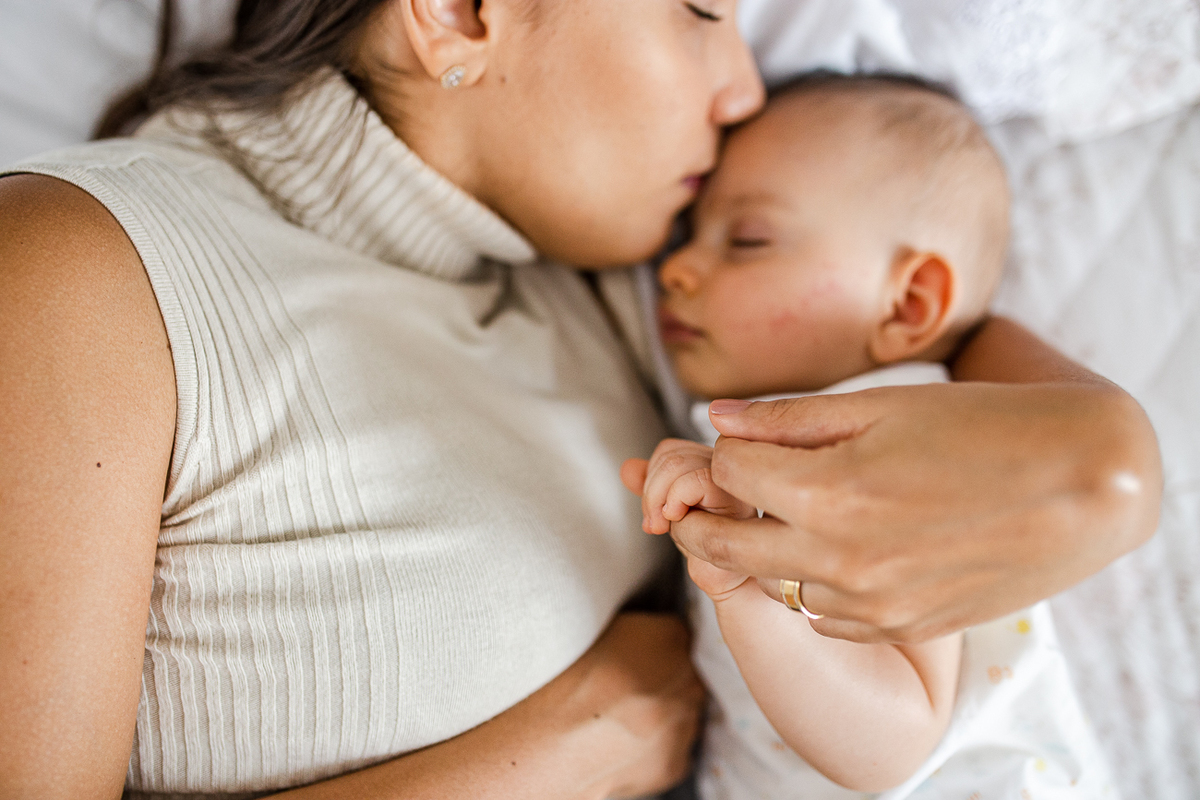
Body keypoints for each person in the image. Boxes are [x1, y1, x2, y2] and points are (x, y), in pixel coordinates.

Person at [0, 1, 1160, 798]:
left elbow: (926, 341)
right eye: (699, 11)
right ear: (460, 13)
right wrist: (572, 744)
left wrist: (1118, 466)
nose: (747, 86)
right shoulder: (76, 267)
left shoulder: (625, 297)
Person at [623, 74, 1114, 799]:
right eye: (689, 234)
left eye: (748, 240)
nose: (675, 269)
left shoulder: (909, 452)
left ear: (907, 304)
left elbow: (894, 741)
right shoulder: (762, 433)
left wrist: (739, 580)